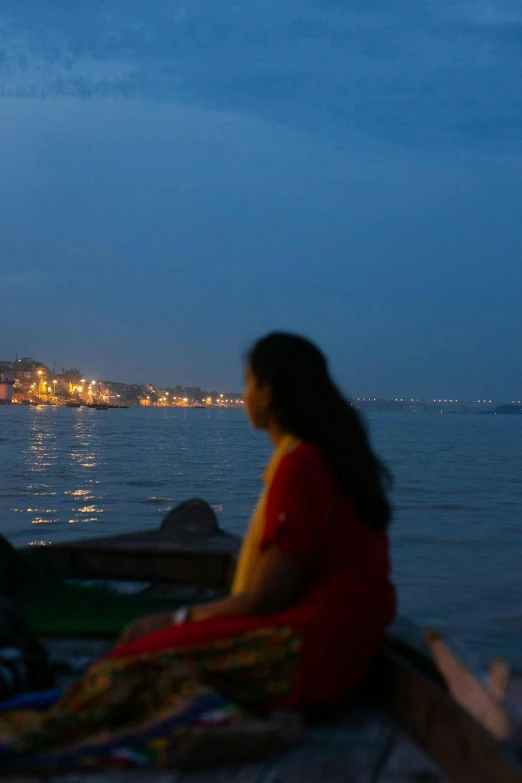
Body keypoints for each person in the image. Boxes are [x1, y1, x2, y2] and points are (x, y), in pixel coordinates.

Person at [0, 332, 395, 768]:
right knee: (134, 658)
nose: (245, 397)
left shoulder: (304, 465)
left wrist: (175, 618)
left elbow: (267, 597)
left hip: (313, 647)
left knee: (124, 669)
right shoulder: (320, 457)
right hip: (342, 642)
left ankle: (235, 728)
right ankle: (240, 722)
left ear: (268, 391)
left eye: (248, 385)